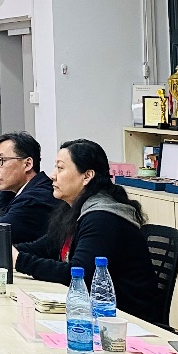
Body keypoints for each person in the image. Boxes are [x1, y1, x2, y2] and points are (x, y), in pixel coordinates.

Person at [13, 139, 161, 324]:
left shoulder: (102, 217)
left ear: (87, 176)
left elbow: (79, 274)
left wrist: (20, 261)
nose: (53, 175)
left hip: (124, 320)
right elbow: (43, 247)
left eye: (60, 168)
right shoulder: (73, 208)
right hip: (91, 312)